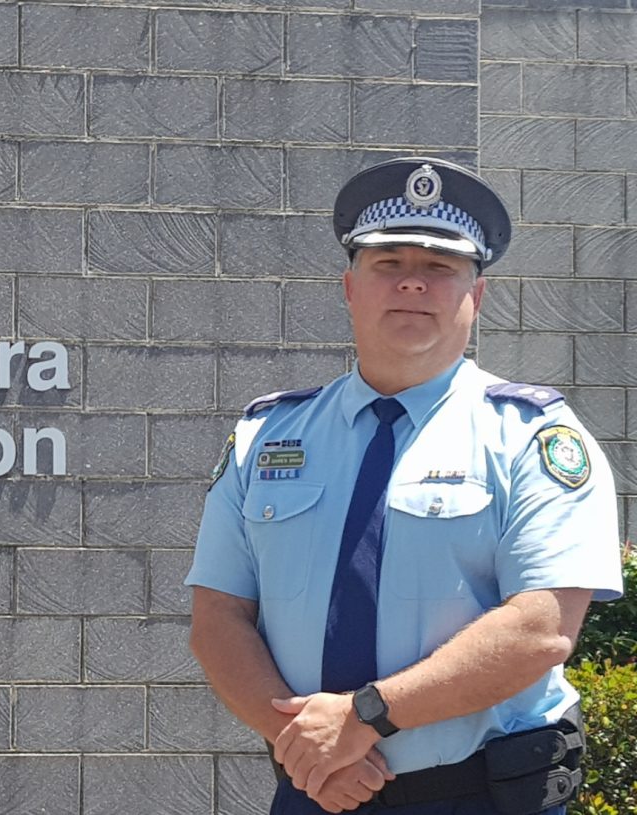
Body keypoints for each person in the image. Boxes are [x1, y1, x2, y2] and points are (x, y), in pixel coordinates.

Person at [187, 156, 624, 815]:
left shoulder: (531, 439)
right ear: (349, 287)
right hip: (313, 791)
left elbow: (541, 628)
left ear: (475, 297)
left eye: (439, 268)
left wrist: (365, 717)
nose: (412, 284)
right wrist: (304, 743)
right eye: (388, 263)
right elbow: (217, 617)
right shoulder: (268, 436)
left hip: (479, 794)